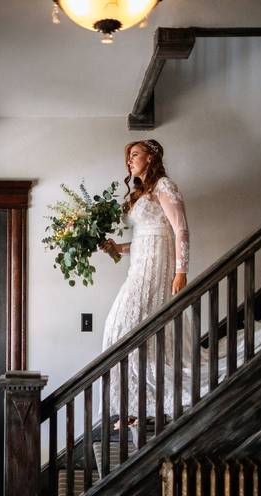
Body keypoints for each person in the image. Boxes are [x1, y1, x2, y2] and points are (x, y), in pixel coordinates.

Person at [99, 139, 191, 428]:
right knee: (118, 329)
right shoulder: (141, 194)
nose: (129, 160)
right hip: (138, 266)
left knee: (133, 330)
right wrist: (115, 248)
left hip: (158, 269)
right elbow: (143, 238)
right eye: (128, 156)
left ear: (151, 158)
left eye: (135, 154)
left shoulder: (164, 186)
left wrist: (181, 271)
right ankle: (135, 406)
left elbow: (180, 229)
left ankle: (143, 408)